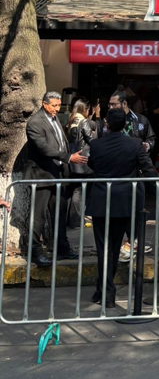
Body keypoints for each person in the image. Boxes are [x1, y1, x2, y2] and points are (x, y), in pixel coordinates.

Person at [87, 109, 156, 308]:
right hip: (124, 201)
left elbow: (92, 164)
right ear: (125, 124)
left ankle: (105, 290)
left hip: (102, 201)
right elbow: (148, 169)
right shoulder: (134, 144)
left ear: (107, 124)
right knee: (114, 247)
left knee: (104, 248)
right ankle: (104, 290)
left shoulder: (96, 144)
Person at [25, 91, 87, 266]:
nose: (57, 109)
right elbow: (44, 148)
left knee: (59, 212)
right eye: (53, 105)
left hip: (57, 174)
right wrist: (68, 157)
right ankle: (35, 251)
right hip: (41, 175)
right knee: (38, 216)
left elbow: (60, 142)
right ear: (44, 104)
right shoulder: (35, 122)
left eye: (59, 105)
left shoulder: (55, 119)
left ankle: (62, 248)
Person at [65, 100, 97, 227]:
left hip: (73, 159)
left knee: (73, 190)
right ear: (85, 109)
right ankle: (77, 220)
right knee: (80, 191)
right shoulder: (84, 122)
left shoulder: (71, 120)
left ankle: (69, 219)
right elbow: (90, 140)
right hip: (82, 161)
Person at [108, 90, 155, 155]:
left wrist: (147, 145)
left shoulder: (141, 120)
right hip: (115, 156)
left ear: (124, 104)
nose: (110, 107)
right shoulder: (107, 121)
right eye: (109, 104)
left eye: (114, 104)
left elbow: (150, 138)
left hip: (135, 157)